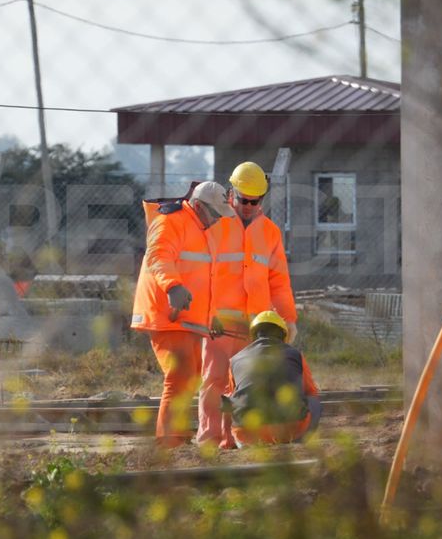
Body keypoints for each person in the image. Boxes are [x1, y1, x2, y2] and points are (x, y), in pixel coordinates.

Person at [198, 161, 298, 449]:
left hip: (254, 326)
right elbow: (201, 274)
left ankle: (237, 438)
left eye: (254, 202)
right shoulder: (214, 225)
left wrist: (288, 319)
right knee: (215, 379)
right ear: (232, 193)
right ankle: (210, 439)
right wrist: (206, 314)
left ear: (262, 200)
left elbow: (279, 281)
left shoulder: (270, 232)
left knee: (246, 383)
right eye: (243, 200)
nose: (247, 207)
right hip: (218, 323)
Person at [131, 181, 235, 447]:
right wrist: (173, 286)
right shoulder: (170, 221)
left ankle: (175, 438)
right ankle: (169, 442)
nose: (217, 220)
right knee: (181, 375)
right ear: (199, 206)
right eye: (214, 214)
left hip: (189, 316)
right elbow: (159, 256)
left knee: (191, 377)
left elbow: (206, 277)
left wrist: (213, 315)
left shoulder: (204, 226)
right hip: (166, 312)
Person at [222, 311, 321, 447]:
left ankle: (228, 442)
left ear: (253, 334)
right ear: (283, 334)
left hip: (247, 435)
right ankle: (302, 442)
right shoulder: (295, 355)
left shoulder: (235, 360)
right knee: (314, 400)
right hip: (290, 432)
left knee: (229, 399)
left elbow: (230, 400)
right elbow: (312, 392)